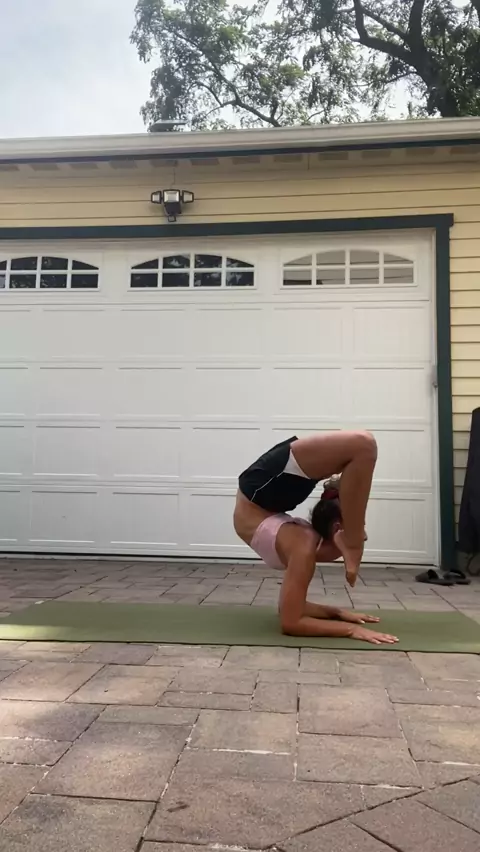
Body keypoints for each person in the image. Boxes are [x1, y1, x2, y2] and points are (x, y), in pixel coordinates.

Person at [234, 432, 399, 645]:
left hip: (262, 493)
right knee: (363, 446)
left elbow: (289, 610)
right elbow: (291, 622)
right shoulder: (303, 545)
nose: (365, 536)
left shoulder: (303, 545)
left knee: (363, 447)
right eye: (360, 527)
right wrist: (351, 630)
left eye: (360, 527)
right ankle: (351, 540)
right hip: (263, 494)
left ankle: (351, 537)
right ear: (338, 529)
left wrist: (337, 613)